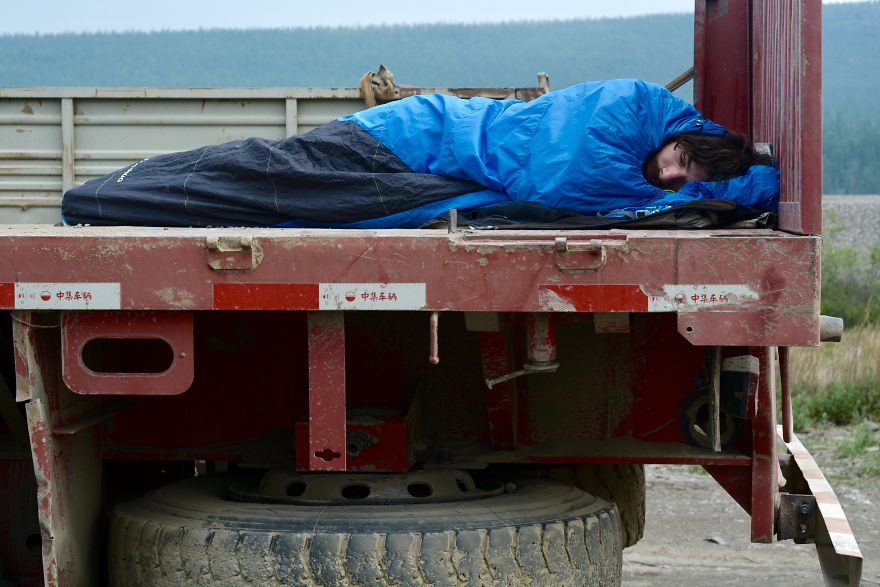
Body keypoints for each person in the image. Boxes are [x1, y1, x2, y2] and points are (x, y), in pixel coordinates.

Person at [61, 79, 779, 229]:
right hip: (407, 139)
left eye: (686, 175)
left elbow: (755, 187)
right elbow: (564, 182)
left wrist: (745, 177)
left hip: (423, 159)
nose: (670, 172)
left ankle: (111, 195)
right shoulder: (622, 120)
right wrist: (711, 187)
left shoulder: (652, 155)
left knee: (269, 184)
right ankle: (105, 195)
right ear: (680, 134)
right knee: (264, 174)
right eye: (680, 156)